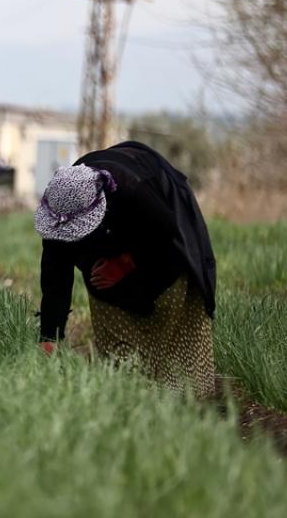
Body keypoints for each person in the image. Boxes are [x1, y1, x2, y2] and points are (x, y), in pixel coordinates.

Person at [35, 141, 217, 398]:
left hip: (164, 257)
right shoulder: (60, 209)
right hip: (106, 271)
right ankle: (129, 400)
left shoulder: (135, 193)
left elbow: (168, 235)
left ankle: (181, 404)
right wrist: (49, 337)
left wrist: (124, 263)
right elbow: (56, 277)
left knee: (175, 358)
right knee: (122, 368)